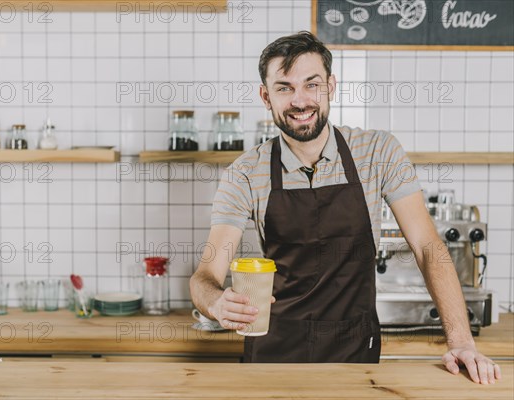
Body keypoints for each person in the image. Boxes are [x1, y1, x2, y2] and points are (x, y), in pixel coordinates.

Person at [189, 31, 500, 384]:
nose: (300, 100)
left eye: (312, 84)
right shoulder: (244, 173)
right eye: (284, 88)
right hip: (274, 355)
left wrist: (461, 341)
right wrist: (214, 302)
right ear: (266, 96)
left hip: (355, 354)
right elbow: (206, 275)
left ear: (331, 86)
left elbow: (429, 248)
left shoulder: (378, 152)